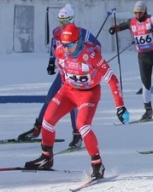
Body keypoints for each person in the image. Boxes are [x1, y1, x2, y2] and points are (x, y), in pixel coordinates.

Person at [24, 24, 129, 179]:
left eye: (70, 45)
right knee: (47, 120)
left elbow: (112, 79)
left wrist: (120, 106)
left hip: (88, 94)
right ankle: (46, 158)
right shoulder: (60, 51)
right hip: (68, 91)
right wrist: (63, 90)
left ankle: (97, 164)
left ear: (78, 41)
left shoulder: (91, 54)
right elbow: (62, 72)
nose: (66, 48)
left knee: (83, 125)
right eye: (64, 44)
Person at [17, 4, 100, 147]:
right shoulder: (57, 32)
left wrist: (91, 59)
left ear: (72, 20)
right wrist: (51, 62)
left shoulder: (82, 33)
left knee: (72, 104)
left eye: (65, 21)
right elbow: (53, 45)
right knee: (50, 98)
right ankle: (37, 128)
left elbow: (97, 45)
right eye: (60, 21)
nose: (62, 25)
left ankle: (77, 135)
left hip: (77, 74)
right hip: (63, 73)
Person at [108, 1, 153, 120]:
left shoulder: (151, 19)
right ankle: (148, 110)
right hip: (143, 57)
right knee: (146, 83)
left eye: (140, 13)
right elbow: (121, 26)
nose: (138, 15)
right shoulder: (132, 22)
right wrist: (114, 29)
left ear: (145, 12)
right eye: (136, 13)